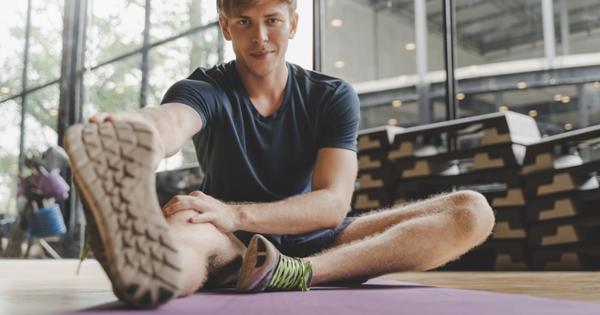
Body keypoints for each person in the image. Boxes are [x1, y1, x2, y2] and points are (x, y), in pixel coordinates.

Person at [63, 0, 495, 309]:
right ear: (225, 26)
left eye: (272, 20)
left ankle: (293, 271)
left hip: (317, 242)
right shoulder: (203, 90)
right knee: (182, 239)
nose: (260, 36)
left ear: (293, 24)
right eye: (245, 22)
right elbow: (172, 120)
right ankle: (142, 275)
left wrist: (240, 215)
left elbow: (331, 205)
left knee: (472, 211)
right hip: (224, 238)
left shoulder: (332, 96)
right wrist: (138, 135)